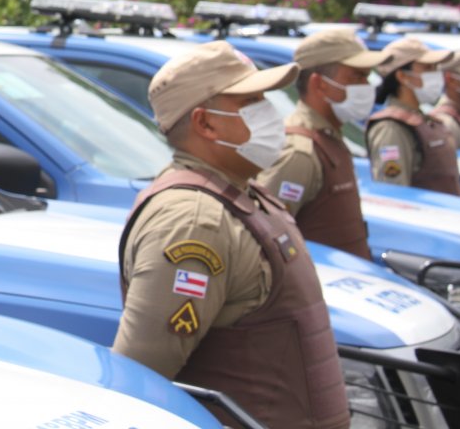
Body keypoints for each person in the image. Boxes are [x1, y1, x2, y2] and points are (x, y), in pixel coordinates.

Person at [115, 41, 350, 429]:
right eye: (251, 101)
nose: (270, 113)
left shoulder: (244, 191)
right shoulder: (193, 221)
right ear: (205, 123)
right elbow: (142, 378)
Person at [255, 30, 391, 259]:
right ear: (320, 84)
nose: (366, 86)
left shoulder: (329, 137)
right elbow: (268, 241)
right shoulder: (300, 153)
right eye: (356, 77)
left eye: (367, 77)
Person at [365, 36, 460, 195]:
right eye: (428, 68)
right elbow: (393, 194)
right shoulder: (391, 128)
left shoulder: (423, 120)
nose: (436, 75)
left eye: (436, 68)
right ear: (402, 76)